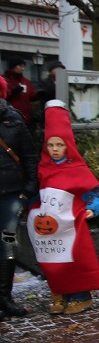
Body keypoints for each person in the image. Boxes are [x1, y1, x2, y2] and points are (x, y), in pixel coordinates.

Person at [27, 101, 99, 315]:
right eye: (50, 145)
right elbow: (38, 194)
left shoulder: (77, 169)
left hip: (70, 227)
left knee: (74, 259)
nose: (54, 150)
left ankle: (80, 295)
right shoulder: (44, 169)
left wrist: (92, 208)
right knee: (51, 259)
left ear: (68, 145)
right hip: (49, 227)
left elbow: (98, 193)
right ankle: (59, 293)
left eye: (59, 145)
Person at [0, 88, 37, 319]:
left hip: (11, 195)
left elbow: (29, 155)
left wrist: (29, 188)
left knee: (8, 243)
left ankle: (5, 297)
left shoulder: (14, 120)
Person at [2, 59, 36, 125]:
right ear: (13, 66)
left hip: (27, 118)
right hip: (11, 118)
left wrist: (38, 95)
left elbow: (31, 96)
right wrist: (12, 93)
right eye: (20, 66)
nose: (23, 69)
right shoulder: (4, 80)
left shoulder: (26, 81)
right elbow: (2, 96)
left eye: (23, 66)